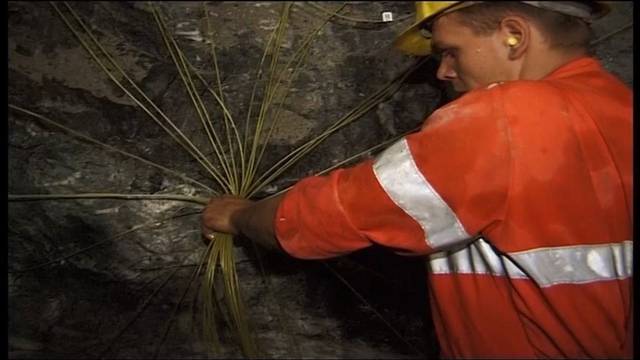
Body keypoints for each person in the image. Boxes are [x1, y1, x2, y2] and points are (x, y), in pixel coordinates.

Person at [201, 1, 633, 358]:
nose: (444, 72)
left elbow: (328, 218)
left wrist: (239, 217)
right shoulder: (621, 107)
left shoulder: (505, 115)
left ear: (513, 36)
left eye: (451, 51)